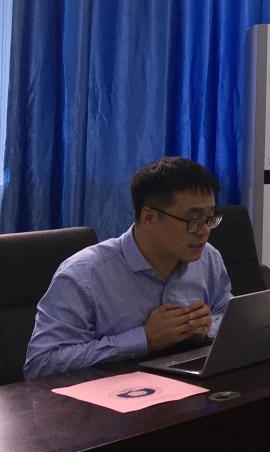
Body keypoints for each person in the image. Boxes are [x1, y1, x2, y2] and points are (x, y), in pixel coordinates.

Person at [23, 157, 232, 379]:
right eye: (193, 221)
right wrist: (143, 339)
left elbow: (227, 313)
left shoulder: (208, 258)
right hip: (108, 395)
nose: (204, 231)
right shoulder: (83, 275)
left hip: (185, 386)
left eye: (209, 219)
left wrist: (206, 328)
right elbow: (41, 363)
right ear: (149, 218)